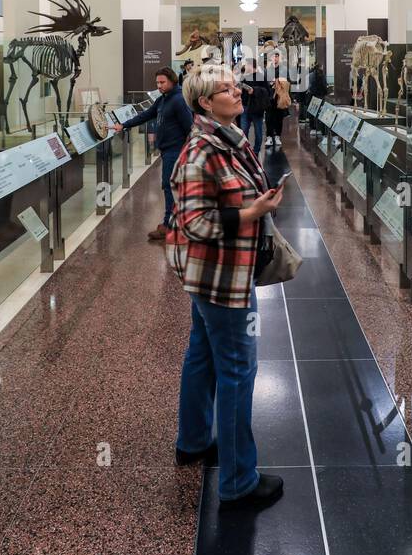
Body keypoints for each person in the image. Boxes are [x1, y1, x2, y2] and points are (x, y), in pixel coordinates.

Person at [168, 64, 285, 510]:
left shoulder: (225, 139)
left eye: (236, 86)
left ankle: (194, 440)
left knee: (202, 354)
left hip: (215, 275)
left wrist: (259, 201)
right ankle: (238, 481)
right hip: (220, 278)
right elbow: (196, 222)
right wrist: (252, 215)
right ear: (204, 103)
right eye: (226, 89)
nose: (238, 93)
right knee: (238, 369)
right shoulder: (201, 152)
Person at [111, 66, 192, 241]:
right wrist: (124, 124)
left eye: (162, 82)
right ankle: (174, 223)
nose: (159, 86)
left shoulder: (178, 100)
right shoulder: (163, 99)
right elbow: (147, 114)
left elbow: (190, 128)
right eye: (157, 83)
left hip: (175, 151)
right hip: (167, 150)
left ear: (172, 81)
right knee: (169, 186)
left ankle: (169, 225)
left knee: (169, 186)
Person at [239, 61, 271, 154]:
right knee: (244, 130)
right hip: (245, 106)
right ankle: (246, 150)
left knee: (258, 131)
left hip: (257, 107)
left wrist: (254, 90)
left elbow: (267, 92)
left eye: (247, 65)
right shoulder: (243, 77)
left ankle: (256, 150)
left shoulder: (260, 77)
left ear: (252, 66)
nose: (246, 67)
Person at [266, 71, 292, 150]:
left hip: (279, 105)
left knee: (278, 120)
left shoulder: (283, 80)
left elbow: (287, 89)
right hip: (270, 105)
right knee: (269, 120)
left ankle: (277, 136)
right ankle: (269, 136)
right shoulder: (270, 82)